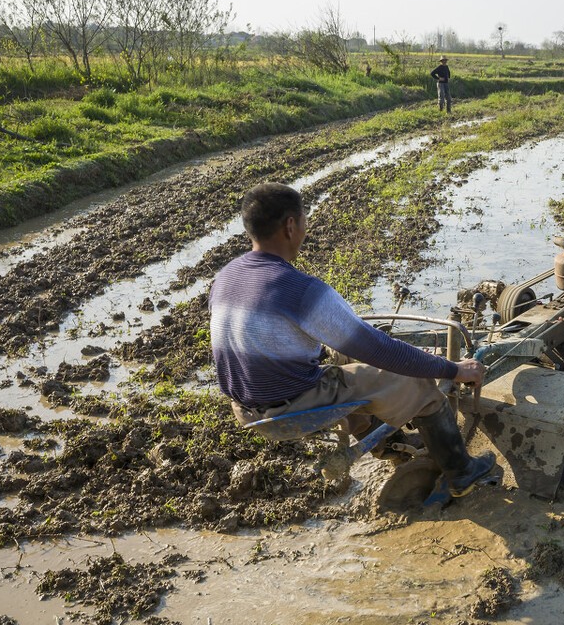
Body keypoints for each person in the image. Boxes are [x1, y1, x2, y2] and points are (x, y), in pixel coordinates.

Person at [210, 182, 495, 500]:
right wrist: (453, 370)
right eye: (304, 219)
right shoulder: (300, 290)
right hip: (290, 406)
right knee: (421, 384)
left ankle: (398, 448)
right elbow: (379, 349)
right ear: (291, 226)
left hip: (245, 409)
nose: (305, 227)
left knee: (345, 363)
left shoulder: (226, 276)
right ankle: (462, 473)